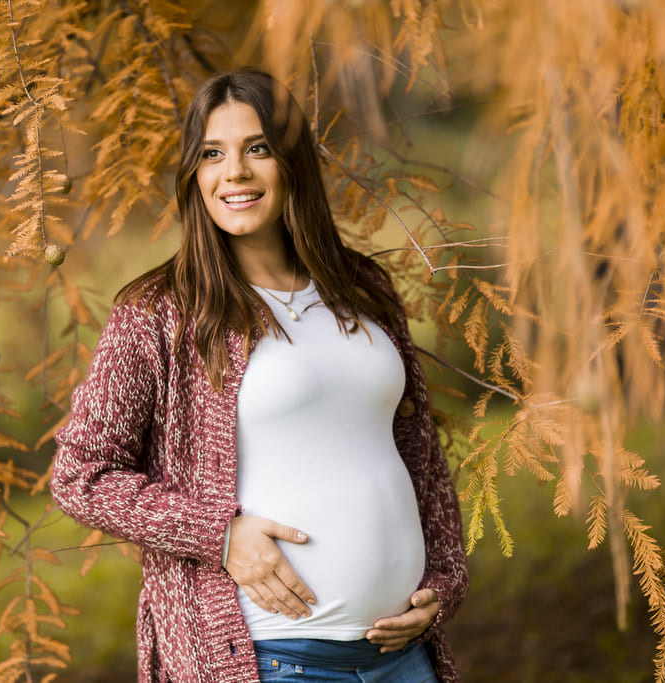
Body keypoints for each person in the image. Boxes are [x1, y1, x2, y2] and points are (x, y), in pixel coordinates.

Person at [51, 69, 468, 683]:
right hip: (270, 661)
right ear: (195, 174)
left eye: (258, 149)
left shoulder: (364, 288)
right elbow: (80, 475)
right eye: (213, 154)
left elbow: (421, 459)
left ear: (291, 162)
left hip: (402, 661)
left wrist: (441, 584)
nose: (235, 173)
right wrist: (220, 535)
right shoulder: (160, 311)